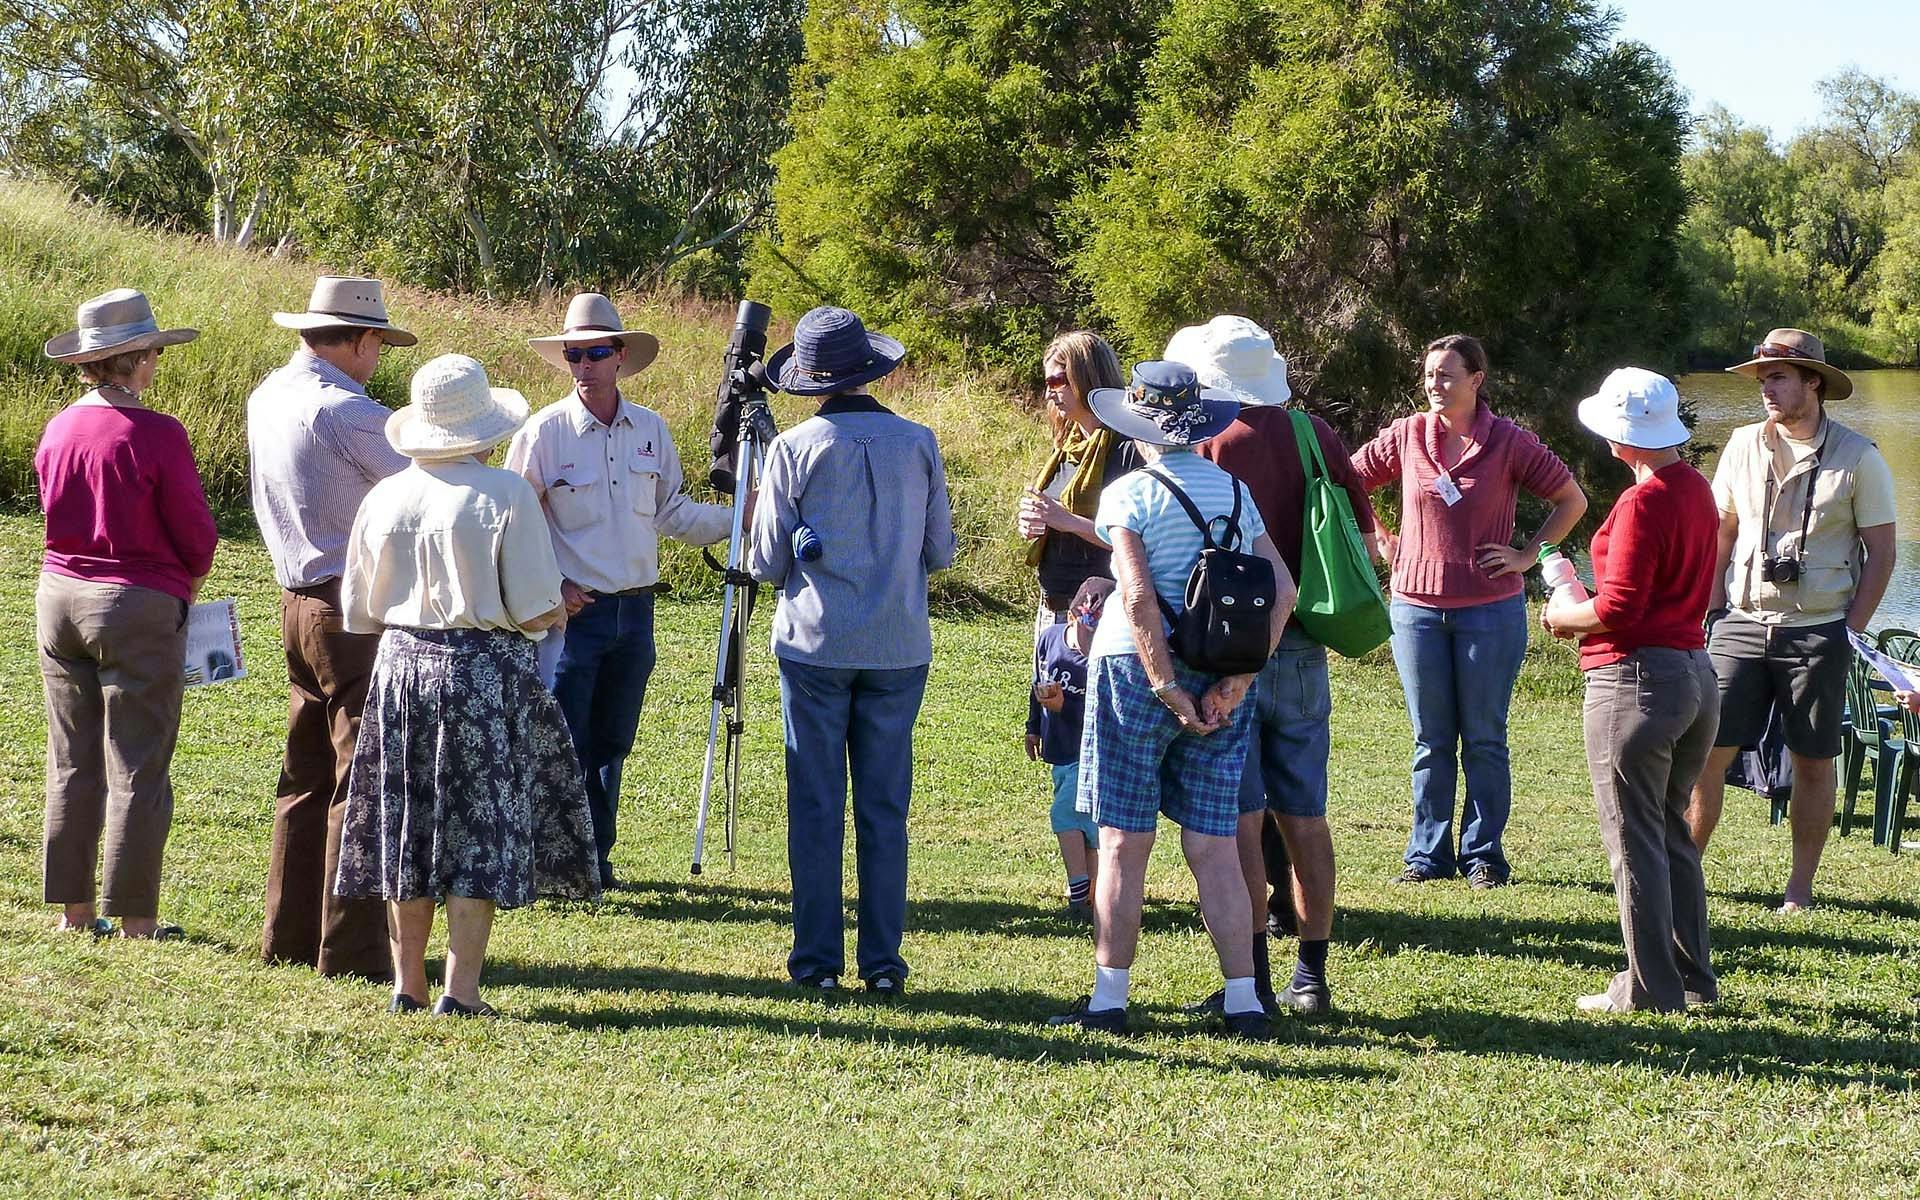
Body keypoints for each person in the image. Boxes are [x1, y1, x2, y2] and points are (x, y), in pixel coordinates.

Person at [333, 354, 600, 1017]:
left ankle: (407, 983)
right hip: (483, 669)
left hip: (399, 666)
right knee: (474, 827)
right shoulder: (503, 495)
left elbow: (359, 608)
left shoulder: (384, 496)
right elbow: (538, 603)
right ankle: (463, 989)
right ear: (483, 425)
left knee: (408, 822)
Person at [1048, 362, 1294, 1040]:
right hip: (1221, 674)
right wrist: (1237, 682)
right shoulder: (1237, 493)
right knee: (1214, 845)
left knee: (1124, 841)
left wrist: (1164, 684)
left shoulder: (1129, 492)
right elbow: (1285, 591)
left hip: (1135, 671)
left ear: (1141, 427)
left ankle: (1110, 999)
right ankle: (1244, 999)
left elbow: (1135, 595)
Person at [746, 305, 957, 997]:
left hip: (816, 643)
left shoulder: (793, 451)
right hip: (897, 642)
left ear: (809, 381)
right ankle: (884, 966)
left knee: (815, 803)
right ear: (871, 371)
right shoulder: (920, 442)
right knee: (883, 807)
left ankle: (816, 963)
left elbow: (766, 562)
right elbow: (939, 551)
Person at [1169, 314, 1375, 1016]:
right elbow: (1366, 533)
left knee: (1239, 816)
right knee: (1306, 815)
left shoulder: (1214, 441)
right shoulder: (1314, 432)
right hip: (1305, 644)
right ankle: (1312, 976)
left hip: (1232, 649)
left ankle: (1251, 982)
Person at [504, 293, 734, 890]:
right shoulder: (542, 433)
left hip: (637, 612)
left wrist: (743, 519)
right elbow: (514, 524)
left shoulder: (651, 429)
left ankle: (594, 858)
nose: (583, 365)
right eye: (574, 354)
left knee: (613, 742)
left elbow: (672, 513)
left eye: (595, 352)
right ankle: (555, 861)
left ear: (620, 356)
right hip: (572, 617)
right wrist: (552, 584)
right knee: (564, 738)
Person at [1354, 334, 1587, 887]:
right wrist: (1380, 539)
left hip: (1491, 611)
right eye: (1429, 375)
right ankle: (1426, 854)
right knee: (1430, 739)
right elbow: (1349, 478)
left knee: (1484, 736)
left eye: (1447, 375)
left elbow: (1571, 499)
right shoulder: (1409, 434)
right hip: (1414, 609)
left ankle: (1483, 853)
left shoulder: (1508, 441)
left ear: (1476, 380)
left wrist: (1528, 554)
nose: (1435, 385)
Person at [1684, 329, 1897, 912]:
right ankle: (1685, 874)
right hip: (1741, 623)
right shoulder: (1740, 446)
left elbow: (1883, 553)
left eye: (1778, 377)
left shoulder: (1859, 457)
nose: (1767, 390)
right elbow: (1721, 534)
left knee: (1812, 759)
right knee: (1706, 751)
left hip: (1820, 629)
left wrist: (1850, 627)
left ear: (1814, 383)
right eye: (1762, 379)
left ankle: (1799, 890)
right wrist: (1707, 611)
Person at [34, 288, 217, 939]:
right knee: (138, 761)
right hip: (133, 601)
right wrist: (188, 581)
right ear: (137, 359)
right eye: (153, 355)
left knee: (72, 758)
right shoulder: (158, 432)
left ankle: (74, 912)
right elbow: (196, 537)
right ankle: (135, 916)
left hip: (58, 596)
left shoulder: (57, 427)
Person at [251, 276, 416, 981]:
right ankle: (351, 950)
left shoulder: (269, 394)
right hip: (350, 607)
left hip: (295, 597)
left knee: (306, 772)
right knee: (363, 772)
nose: (378, 355)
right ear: (359, 339)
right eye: (377, 340)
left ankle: (289, 933)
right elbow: (423, 484)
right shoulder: (348, 411)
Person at [1543, 368, 1720, 1014]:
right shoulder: (1694, 486)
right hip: (1693, 675)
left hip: (1636, 682)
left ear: (1622, 439)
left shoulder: (1644, 501)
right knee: (1667, 829)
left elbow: (1617, 607)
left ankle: (1648, 990)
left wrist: (1565, 616)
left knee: (1633, 839)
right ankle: (1693, 978)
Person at [1017, 332, 1139, 635]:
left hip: (1099, 606)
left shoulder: (1127, 448)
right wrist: (1035, 522)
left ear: (1086, 376)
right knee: (1048, 685)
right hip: (1052, 604)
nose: (1049, 394)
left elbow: (1138, 540)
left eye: (1057, 381)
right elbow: (1055, 517)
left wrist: (1066, 521)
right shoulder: (1067, 444)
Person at [1025, 576, 1114, 923]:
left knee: (1065, 817)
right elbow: (1037, 681)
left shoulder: (1102, 659)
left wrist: (1065, 707)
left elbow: (1103, 714)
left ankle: (1079, 894)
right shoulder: (1050, 639)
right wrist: (1033, 727)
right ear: (1074, 616)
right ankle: (1093, 894)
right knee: (1087, 830)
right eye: (1088, 630)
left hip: (1089, 752)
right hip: (1059, 749)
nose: (1092, 641)